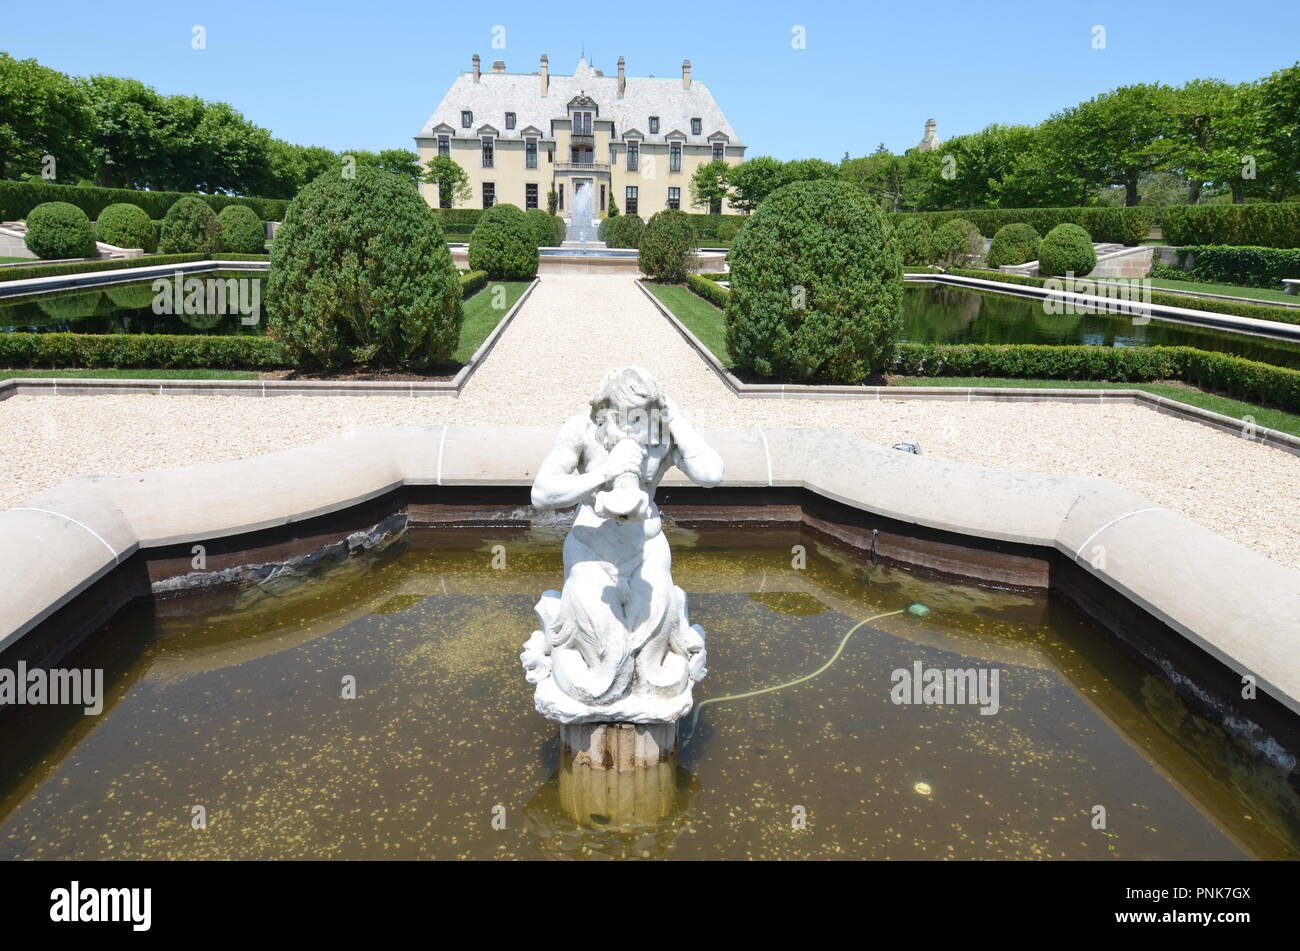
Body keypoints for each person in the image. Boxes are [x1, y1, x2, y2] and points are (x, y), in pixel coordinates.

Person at [523, 367, 724, 714]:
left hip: (646, 550)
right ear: (603, 413)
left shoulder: (663, 433)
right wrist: (603, 472)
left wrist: (675, 417)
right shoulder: (582, 430)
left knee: (652, 668)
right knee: (607, 651)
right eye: (622, 419)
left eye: (641, 419)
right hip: (591, 549)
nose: (632, 429)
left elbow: (711, 474)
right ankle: (564, 637)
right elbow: (541, 493)